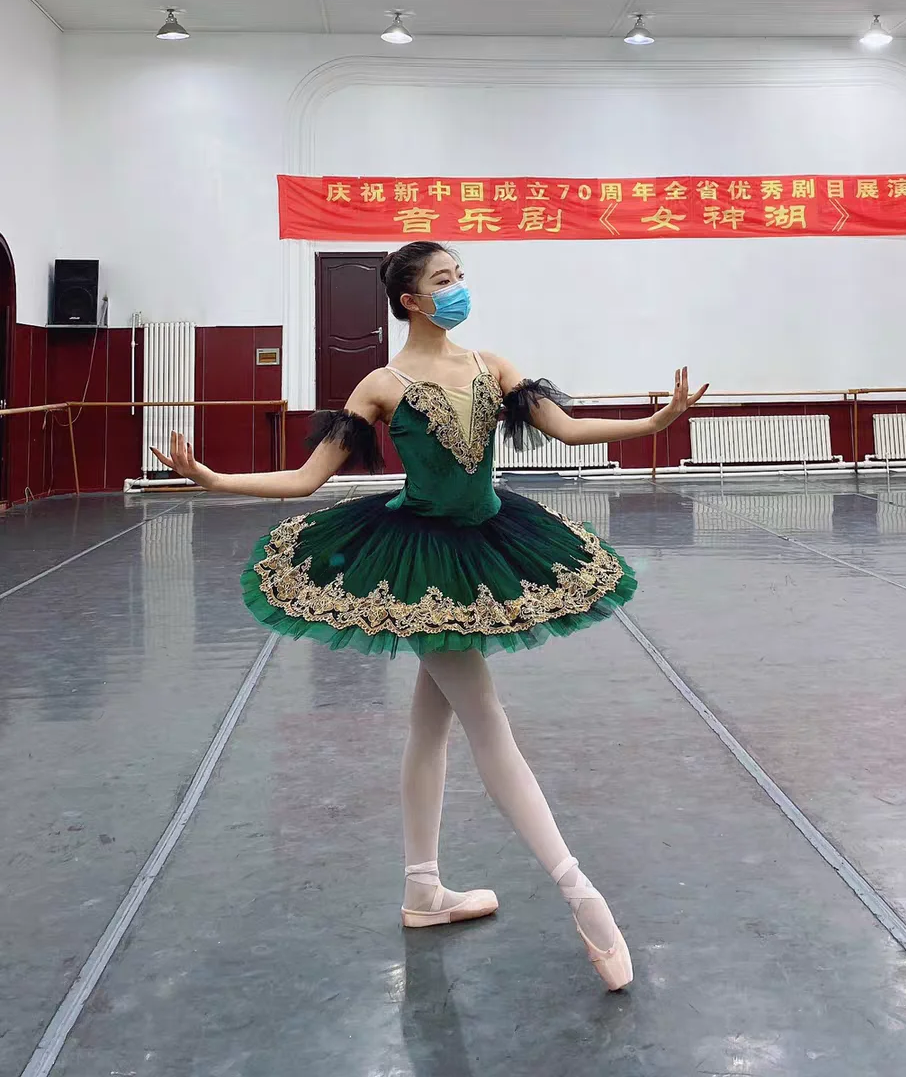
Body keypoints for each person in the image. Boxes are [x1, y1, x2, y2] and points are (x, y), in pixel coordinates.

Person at [152, 240, 707, 992]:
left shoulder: (493, 367)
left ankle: (423, 891)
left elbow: (569, 431)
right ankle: (581, 893)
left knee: (431, 725)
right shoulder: (383, 384)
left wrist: (657, 422)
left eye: (461, 278)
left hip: (486, 539)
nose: (458, 289)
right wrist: (214, 479)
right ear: (410, 299)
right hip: (421, 564)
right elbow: (308, 477)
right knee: (487, 723)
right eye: (443, 281)